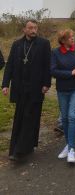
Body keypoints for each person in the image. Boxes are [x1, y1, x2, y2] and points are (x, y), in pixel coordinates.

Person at [1, 20, 51, 161]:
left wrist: (47, 84)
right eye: (30, 28)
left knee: (30, 117)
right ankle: (20, 146)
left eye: (35, 27)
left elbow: (48, 65)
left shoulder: (44, 44)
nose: (33, 30)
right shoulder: (17, 44)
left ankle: (19, 151)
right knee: (20, 117)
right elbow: (9, 65)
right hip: (20, 88)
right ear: (24, 29)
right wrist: (5, 84)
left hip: (36, 87)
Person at [51, 29, 75, 164]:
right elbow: (53, 71)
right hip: (62, 89)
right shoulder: (56, 52)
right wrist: (70, 73)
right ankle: (68, 145)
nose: (72, 39)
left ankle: (72, 149)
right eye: (70, 38)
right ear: (62, 40)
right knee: (65, 118)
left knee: (72, 116)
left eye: (73, 37)